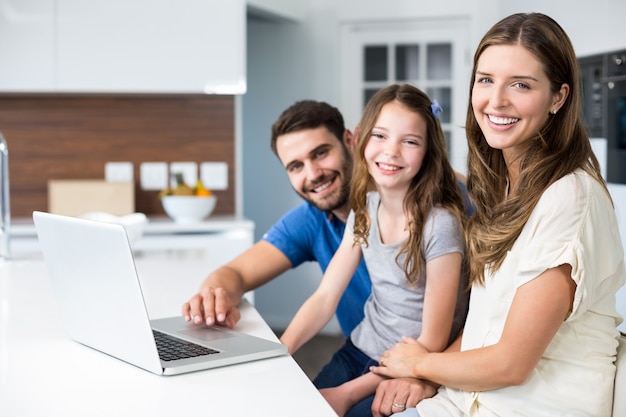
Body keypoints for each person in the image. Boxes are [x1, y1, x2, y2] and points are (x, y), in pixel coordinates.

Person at [370, 12, 626, 417]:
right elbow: (481, 328)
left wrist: (417, 363)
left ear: (559, 98)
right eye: (485, 79)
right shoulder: (500, 187)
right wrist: (426, 376)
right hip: (469, 399)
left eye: (521, 85)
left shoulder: (570, 197)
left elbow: (511, 363)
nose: (496, 100)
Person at [279, 83, 470, 417]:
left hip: (408, 366)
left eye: (410, 141)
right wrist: (281, 350)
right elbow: (325, 297)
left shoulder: (440, 225)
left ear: (427, 153)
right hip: (360, 348)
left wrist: (348, 394)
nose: (391, 152)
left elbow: (433, 342)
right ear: (361, 140)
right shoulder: (365, 208)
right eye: (380, 136)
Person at [182, 100, 371, 338]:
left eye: (321, 153)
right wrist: (212, 297)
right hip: (360, 359)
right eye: (296, 166)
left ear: (349, 141)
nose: (313, 174)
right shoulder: (311, 220)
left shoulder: (402, 208)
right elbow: (235, 273)